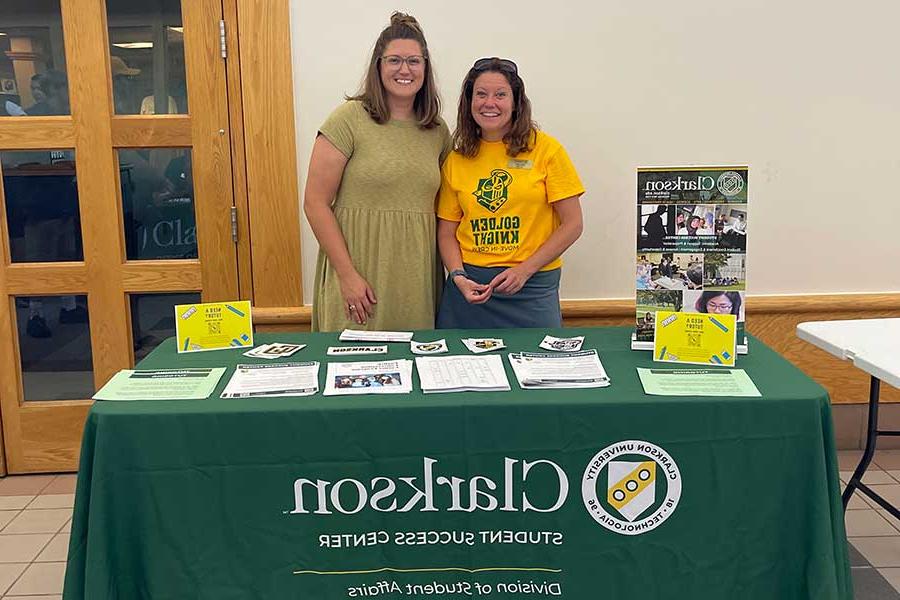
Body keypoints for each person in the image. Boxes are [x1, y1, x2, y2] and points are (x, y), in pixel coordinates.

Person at [304, 13, 450, 331]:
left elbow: (451, 208)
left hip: (416, 280)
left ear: (425, 68)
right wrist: (347, 275)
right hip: (359, 277)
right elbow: (315, 204)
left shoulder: (437, 131)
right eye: (394, 60)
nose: (404, 69)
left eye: (414, 61)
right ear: (378, 66)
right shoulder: (348, 120)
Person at [436, 57, 584, 329]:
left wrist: (524, 270)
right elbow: (446, 232)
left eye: (500, 95)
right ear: (469, 103)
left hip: (531, 290)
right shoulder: (456, 160)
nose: (489, 103)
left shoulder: (546, 150)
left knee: (538, 368)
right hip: (470, 293)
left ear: (516, 102)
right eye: (480, 94)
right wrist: (458, 276)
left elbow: (573, 224)